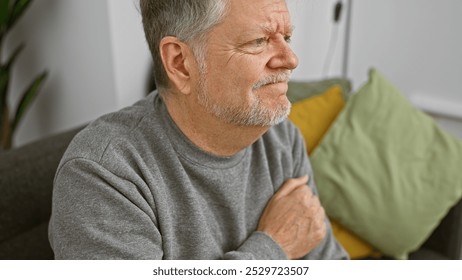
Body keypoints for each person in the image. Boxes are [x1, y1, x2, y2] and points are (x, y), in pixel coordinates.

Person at [49, 0, 349, 260]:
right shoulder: (103, 174)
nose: (290, 60)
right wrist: (273, 249)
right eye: (259, 40)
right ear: (180, 63)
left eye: (286, 37)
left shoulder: (281, 140)